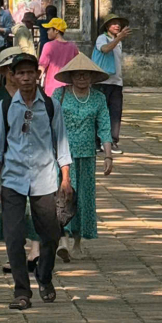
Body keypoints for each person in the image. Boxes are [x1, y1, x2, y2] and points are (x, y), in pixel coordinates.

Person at [0, 52, 72, 309]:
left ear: (38, 75)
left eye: (30, 73)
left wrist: (65, 178)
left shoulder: (50, 105)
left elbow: (61, 142)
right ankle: (21, 292)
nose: (26, 78)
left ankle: (44, 276)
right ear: (12, 76)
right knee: (14, 237)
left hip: (44, 179)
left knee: (50, 235)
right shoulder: (5, 107)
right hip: (12, 180)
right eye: (20, 73)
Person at [52, 53, 113, 261]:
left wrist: (108, 155)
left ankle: (77, 240)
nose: (81, 79)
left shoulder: (98, 98)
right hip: (62, 155)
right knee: (62, 197)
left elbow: (104, 126)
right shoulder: (59, 95)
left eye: (85, 75)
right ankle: (62, 240)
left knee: (83, 198)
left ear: (91, 77)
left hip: (87, 156)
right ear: (70, 77)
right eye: (77, 75)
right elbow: (49, 123)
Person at [94, 15, 130, 155]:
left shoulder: (118, 41)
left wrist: (118, 39)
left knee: (115, 113)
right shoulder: (102, 38)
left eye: (119, 24)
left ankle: (112, 141)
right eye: (114, 24)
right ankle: (97, 141)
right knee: (100, 113)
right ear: (107, 26)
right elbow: (105, 49)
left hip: (116, 82)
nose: (117, 26)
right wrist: (118, 38)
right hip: (102, 81)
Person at [37, 18, 79, 96]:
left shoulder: (48, 46)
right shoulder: (73, 47)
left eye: (49, 29)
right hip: (68, 88)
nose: (47, 31)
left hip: (51, 89)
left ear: (56, 31)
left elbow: (41, 67)